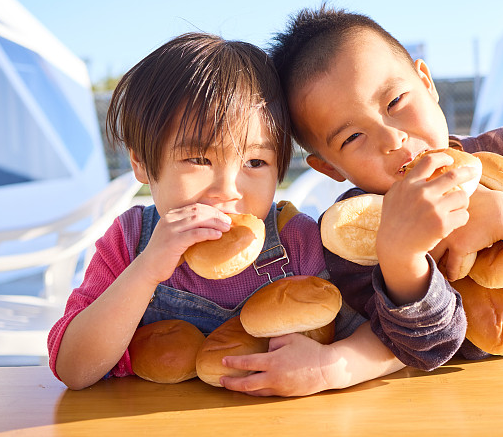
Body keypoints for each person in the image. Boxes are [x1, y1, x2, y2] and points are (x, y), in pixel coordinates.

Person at [268, 5, 503, 370]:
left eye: (395, 101)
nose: (392, 138)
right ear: (329, 167)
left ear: (426, 82)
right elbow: (423, 351)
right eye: (354, 136)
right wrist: (402, 263)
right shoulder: (352, 234)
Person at [48, 33, 403, 395]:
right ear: (141, 161)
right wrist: (147, 270)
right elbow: (74, 368)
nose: (228, 189)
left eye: (255, 162)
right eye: (199, 159)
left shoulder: (298, 241)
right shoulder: (130, 241)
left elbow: (397, 335)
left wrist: (329, 367)